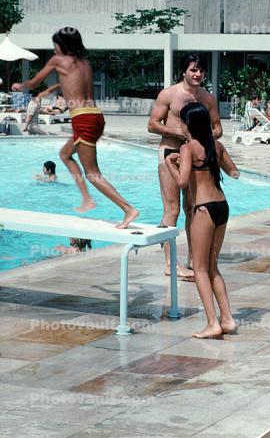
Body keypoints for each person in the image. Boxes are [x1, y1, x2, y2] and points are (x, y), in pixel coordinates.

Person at [12, 27, 138, 228]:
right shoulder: (84, 64)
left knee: (92, 173)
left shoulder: (58, 61)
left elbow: (33, 82)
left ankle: (128, 209)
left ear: (62, 45)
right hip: (96, 117)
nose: (54, 49)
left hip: (83, 119)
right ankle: (87, 199)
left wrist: (20, 85)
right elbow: (72, 85)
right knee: (65, 154)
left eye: (56, 45)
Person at [166, 102, 240, 339]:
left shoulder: (188, 149)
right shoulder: (216, 146)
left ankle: (212, 323)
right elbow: (234, 172)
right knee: (212, 266)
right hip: (222, 206)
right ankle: (227, 319)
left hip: (204, 210)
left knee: (199, 269)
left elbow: (182, 183)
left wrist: (171, 163)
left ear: (188, 124)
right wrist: (209, 164)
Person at [148, 53, 222, 279]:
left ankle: (193, 259)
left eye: (201, 70)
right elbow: (152, 124)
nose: (198, 74)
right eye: (193, 70)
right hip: (170, 152)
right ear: (183, 72)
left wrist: (202, 137)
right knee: (172, 208)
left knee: (193, 207)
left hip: (195, 155)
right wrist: (178, 132)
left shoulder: (207, 99)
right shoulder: (169, 94)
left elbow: (218, 128)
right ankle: (170, 264)